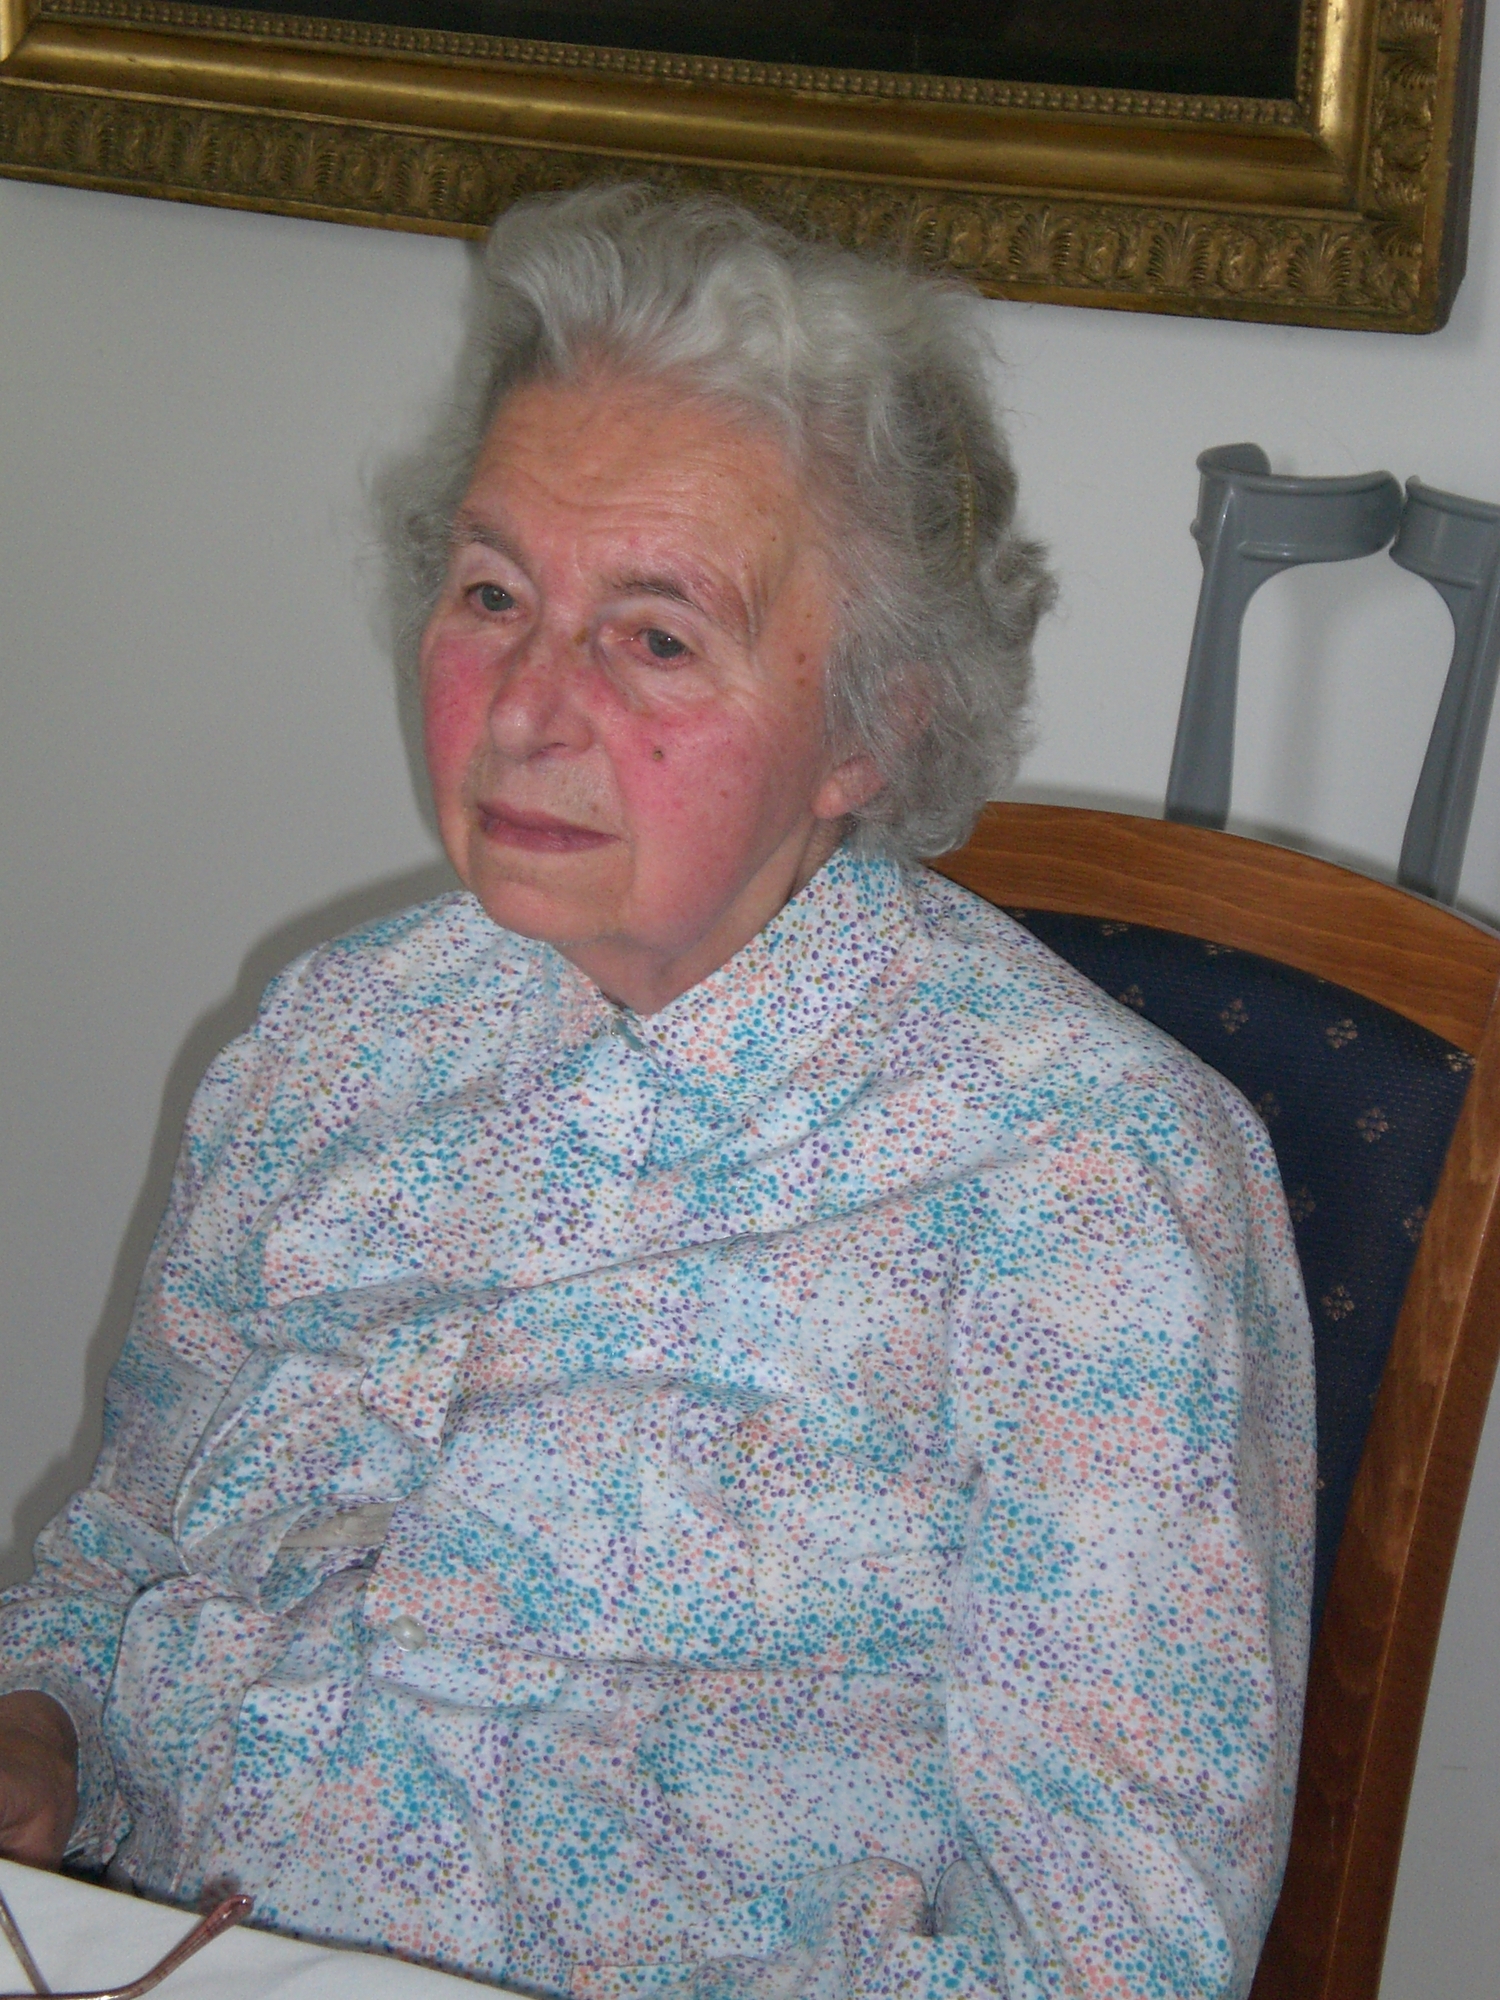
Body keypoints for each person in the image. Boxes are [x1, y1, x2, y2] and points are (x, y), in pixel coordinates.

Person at [0, 186, 1314, 2000]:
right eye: (492, 596)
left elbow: (1116, 1965)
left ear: (872, 723)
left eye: (657, 635)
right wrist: (43, 1723)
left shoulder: (1084, 1188)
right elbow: (115, 1564)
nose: (524, 709)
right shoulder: (332, 1039)